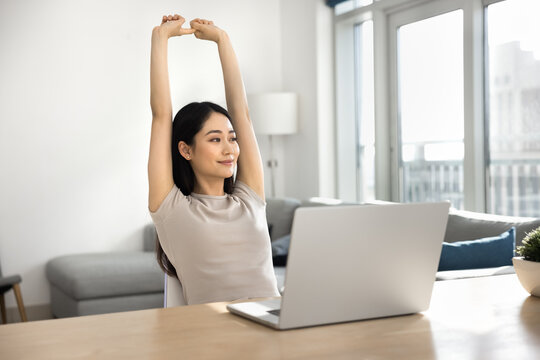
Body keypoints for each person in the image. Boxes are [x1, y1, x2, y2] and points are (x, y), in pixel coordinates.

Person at [147, 14, 280, 305]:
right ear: (186, 150)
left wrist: (223, 40)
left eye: (232, 138)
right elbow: (161, 117)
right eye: (215, 139)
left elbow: (241, 112)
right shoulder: (172, 209)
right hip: (214, 335)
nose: (230, 148)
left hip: (274, 326)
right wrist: (160, 38)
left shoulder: (250, 198)